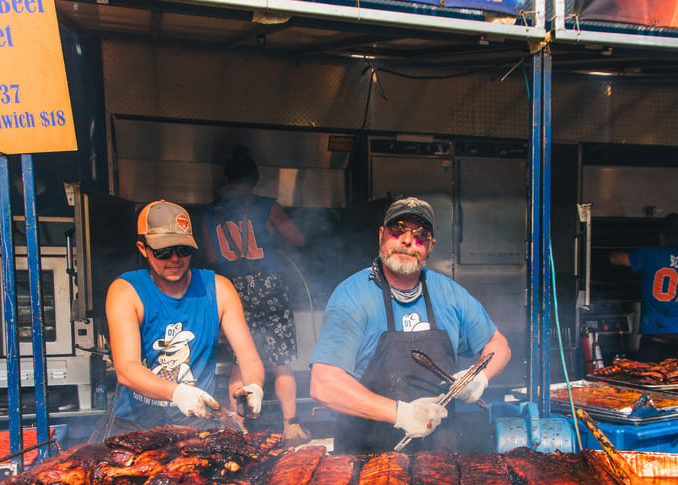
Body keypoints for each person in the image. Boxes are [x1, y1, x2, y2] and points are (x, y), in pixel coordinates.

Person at [309, 196, 511, 454]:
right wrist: (401, 414)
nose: (407, 241)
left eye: (420, 235)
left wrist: (480, 377)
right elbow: (324, 384)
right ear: (381, 235)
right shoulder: (352, 297)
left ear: (431, 246)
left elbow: (499, 345)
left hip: (439, 461)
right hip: (366, 461)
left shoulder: (449, 294)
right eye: (397, 230)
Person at [103, 200, 265, 437]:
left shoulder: (219, 289)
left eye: (183, 249)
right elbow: (127, 369)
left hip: (197, 427)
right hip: (135, 428)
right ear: (142, 248)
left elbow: (248, 357)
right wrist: (177, 393)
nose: (175, 259)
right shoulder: (126, 291)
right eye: (163, 252)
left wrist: (254, 387)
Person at [201, 146, 309, 444]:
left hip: (233, 289)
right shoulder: (266, 206)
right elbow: (298, 238)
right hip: (269, 286)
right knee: (281, 361)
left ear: (226, 178)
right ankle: (291, 426)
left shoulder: (211, 212)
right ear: (255, 179)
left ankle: (238, 426)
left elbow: (211, 256)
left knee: (240, 359)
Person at [609, 213, 678, 362]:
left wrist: (615, 252)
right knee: (676, 380)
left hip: (655, 335)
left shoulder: (650, 254)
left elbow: (615, 260)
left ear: (662, 235)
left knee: (647, 379)